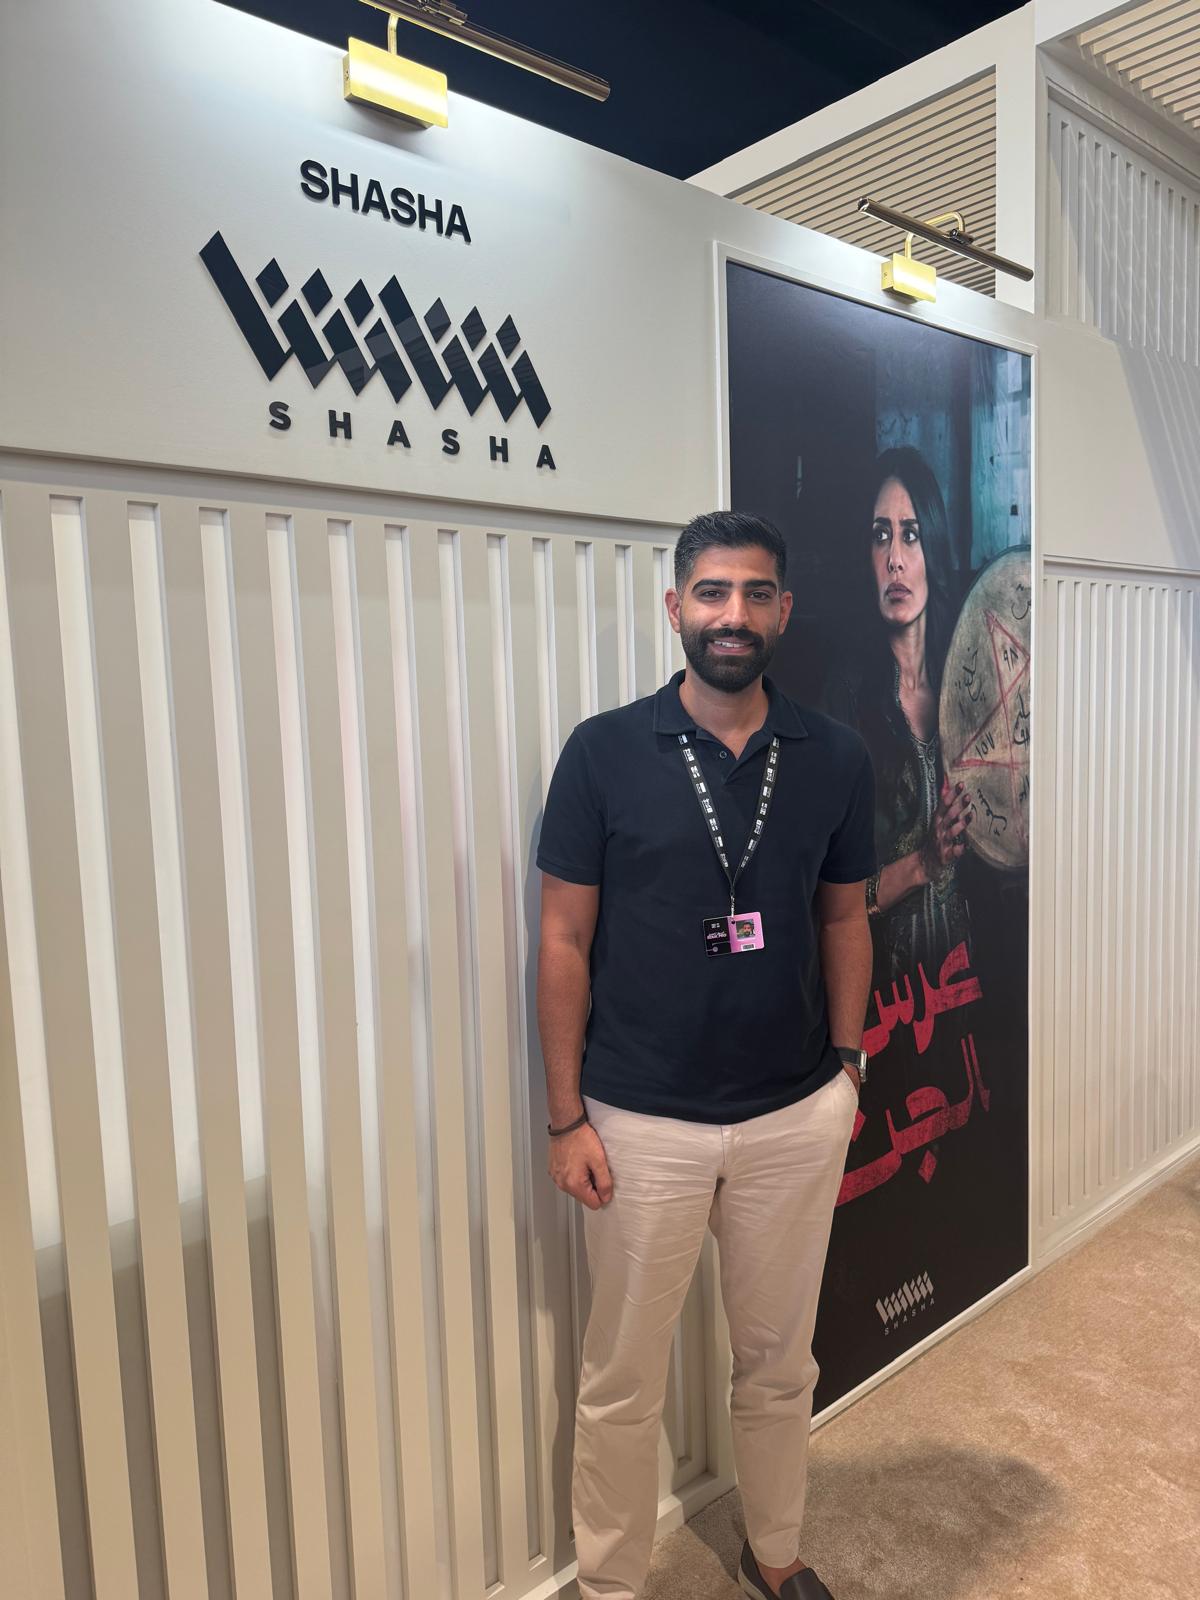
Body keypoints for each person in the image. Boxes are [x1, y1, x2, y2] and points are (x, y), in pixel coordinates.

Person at [536, 510, 877, 1600]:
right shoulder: (602, 752)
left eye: (756, 593)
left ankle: (774, 1554)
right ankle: (610, 1585)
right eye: (714, 592)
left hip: (792, 1114)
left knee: (779, 1366)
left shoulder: (835, 756)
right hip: (639, 1120)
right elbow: (562, 940)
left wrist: (848, 1066)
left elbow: (845, 918)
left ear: (785, 610)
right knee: (622, 1381)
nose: (735, 614)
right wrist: (565, 1117)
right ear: (675, 606)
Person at [823, 447, 972, 982]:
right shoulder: (844, 699)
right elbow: (828, 897)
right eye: (880, 535)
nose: (894, 559)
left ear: (935, 546)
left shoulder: (969, 688)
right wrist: (923, 864)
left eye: (911, 534)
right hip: (883, 1001)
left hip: (973, 986)